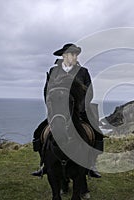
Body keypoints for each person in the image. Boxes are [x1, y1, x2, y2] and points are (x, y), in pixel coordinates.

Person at [31, 43, 104, 178]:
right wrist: (52, 108)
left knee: (97, 133)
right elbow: (47, 91)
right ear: (64, 56)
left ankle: (91, 165)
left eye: (76, 54)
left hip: (79, 112)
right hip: (58, 112)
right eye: (72, 54)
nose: (75, 57)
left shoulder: (83, 72)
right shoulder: (54, 71)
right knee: (38, 133)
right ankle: (44, 164)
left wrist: (79, 107)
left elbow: (90, 92)